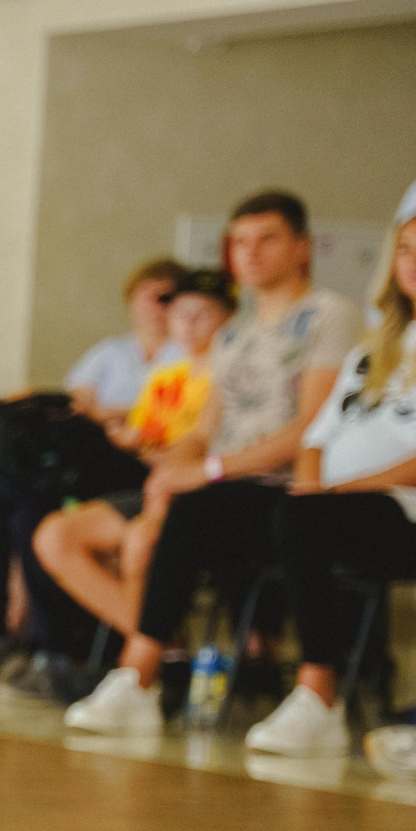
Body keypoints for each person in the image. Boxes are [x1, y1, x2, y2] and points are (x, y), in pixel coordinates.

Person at [66, 191, 363, 735]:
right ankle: (140, 681)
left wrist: (208, 471)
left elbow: (311, 427)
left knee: (196, 505)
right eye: (240, 242)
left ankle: (147, 672)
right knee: (178, 505)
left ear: (301, 248)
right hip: (228, 487)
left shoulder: (331, 316)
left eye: (266, 239)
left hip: (289, 485)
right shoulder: (233, 334)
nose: (250, 253)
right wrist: (170, 471)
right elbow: (204, 434)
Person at [235, 180, 416, 759]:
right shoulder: (372, 350)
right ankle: (146, 673)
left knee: (306, 521)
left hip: (405, 514)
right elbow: (316, 436)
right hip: (335, 504)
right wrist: (314, 481)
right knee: (234, 512)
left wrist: (335, 491)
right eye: (406, 250)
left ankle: (318, 693)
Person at [30, 269, 234, 650]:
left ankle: (140, 658)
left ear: (229, 320)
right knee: (55, 535)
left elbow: (204, 447)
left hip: (194, 489)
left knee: (140, 542)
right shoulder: (167, 373)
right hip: (147, 478)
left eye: (202, 314)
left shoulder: (230, 374)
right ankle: (161, 646)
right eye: (180, 314)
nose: (188, 324)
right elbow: (142, 434)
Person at [66, 258, 184, 420]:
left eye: (164, 298)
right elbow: (78, 398)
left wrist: (109, 413)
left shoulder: (192, 352)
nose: (152, 306)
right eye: (144, 295)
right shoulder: (110, 350)